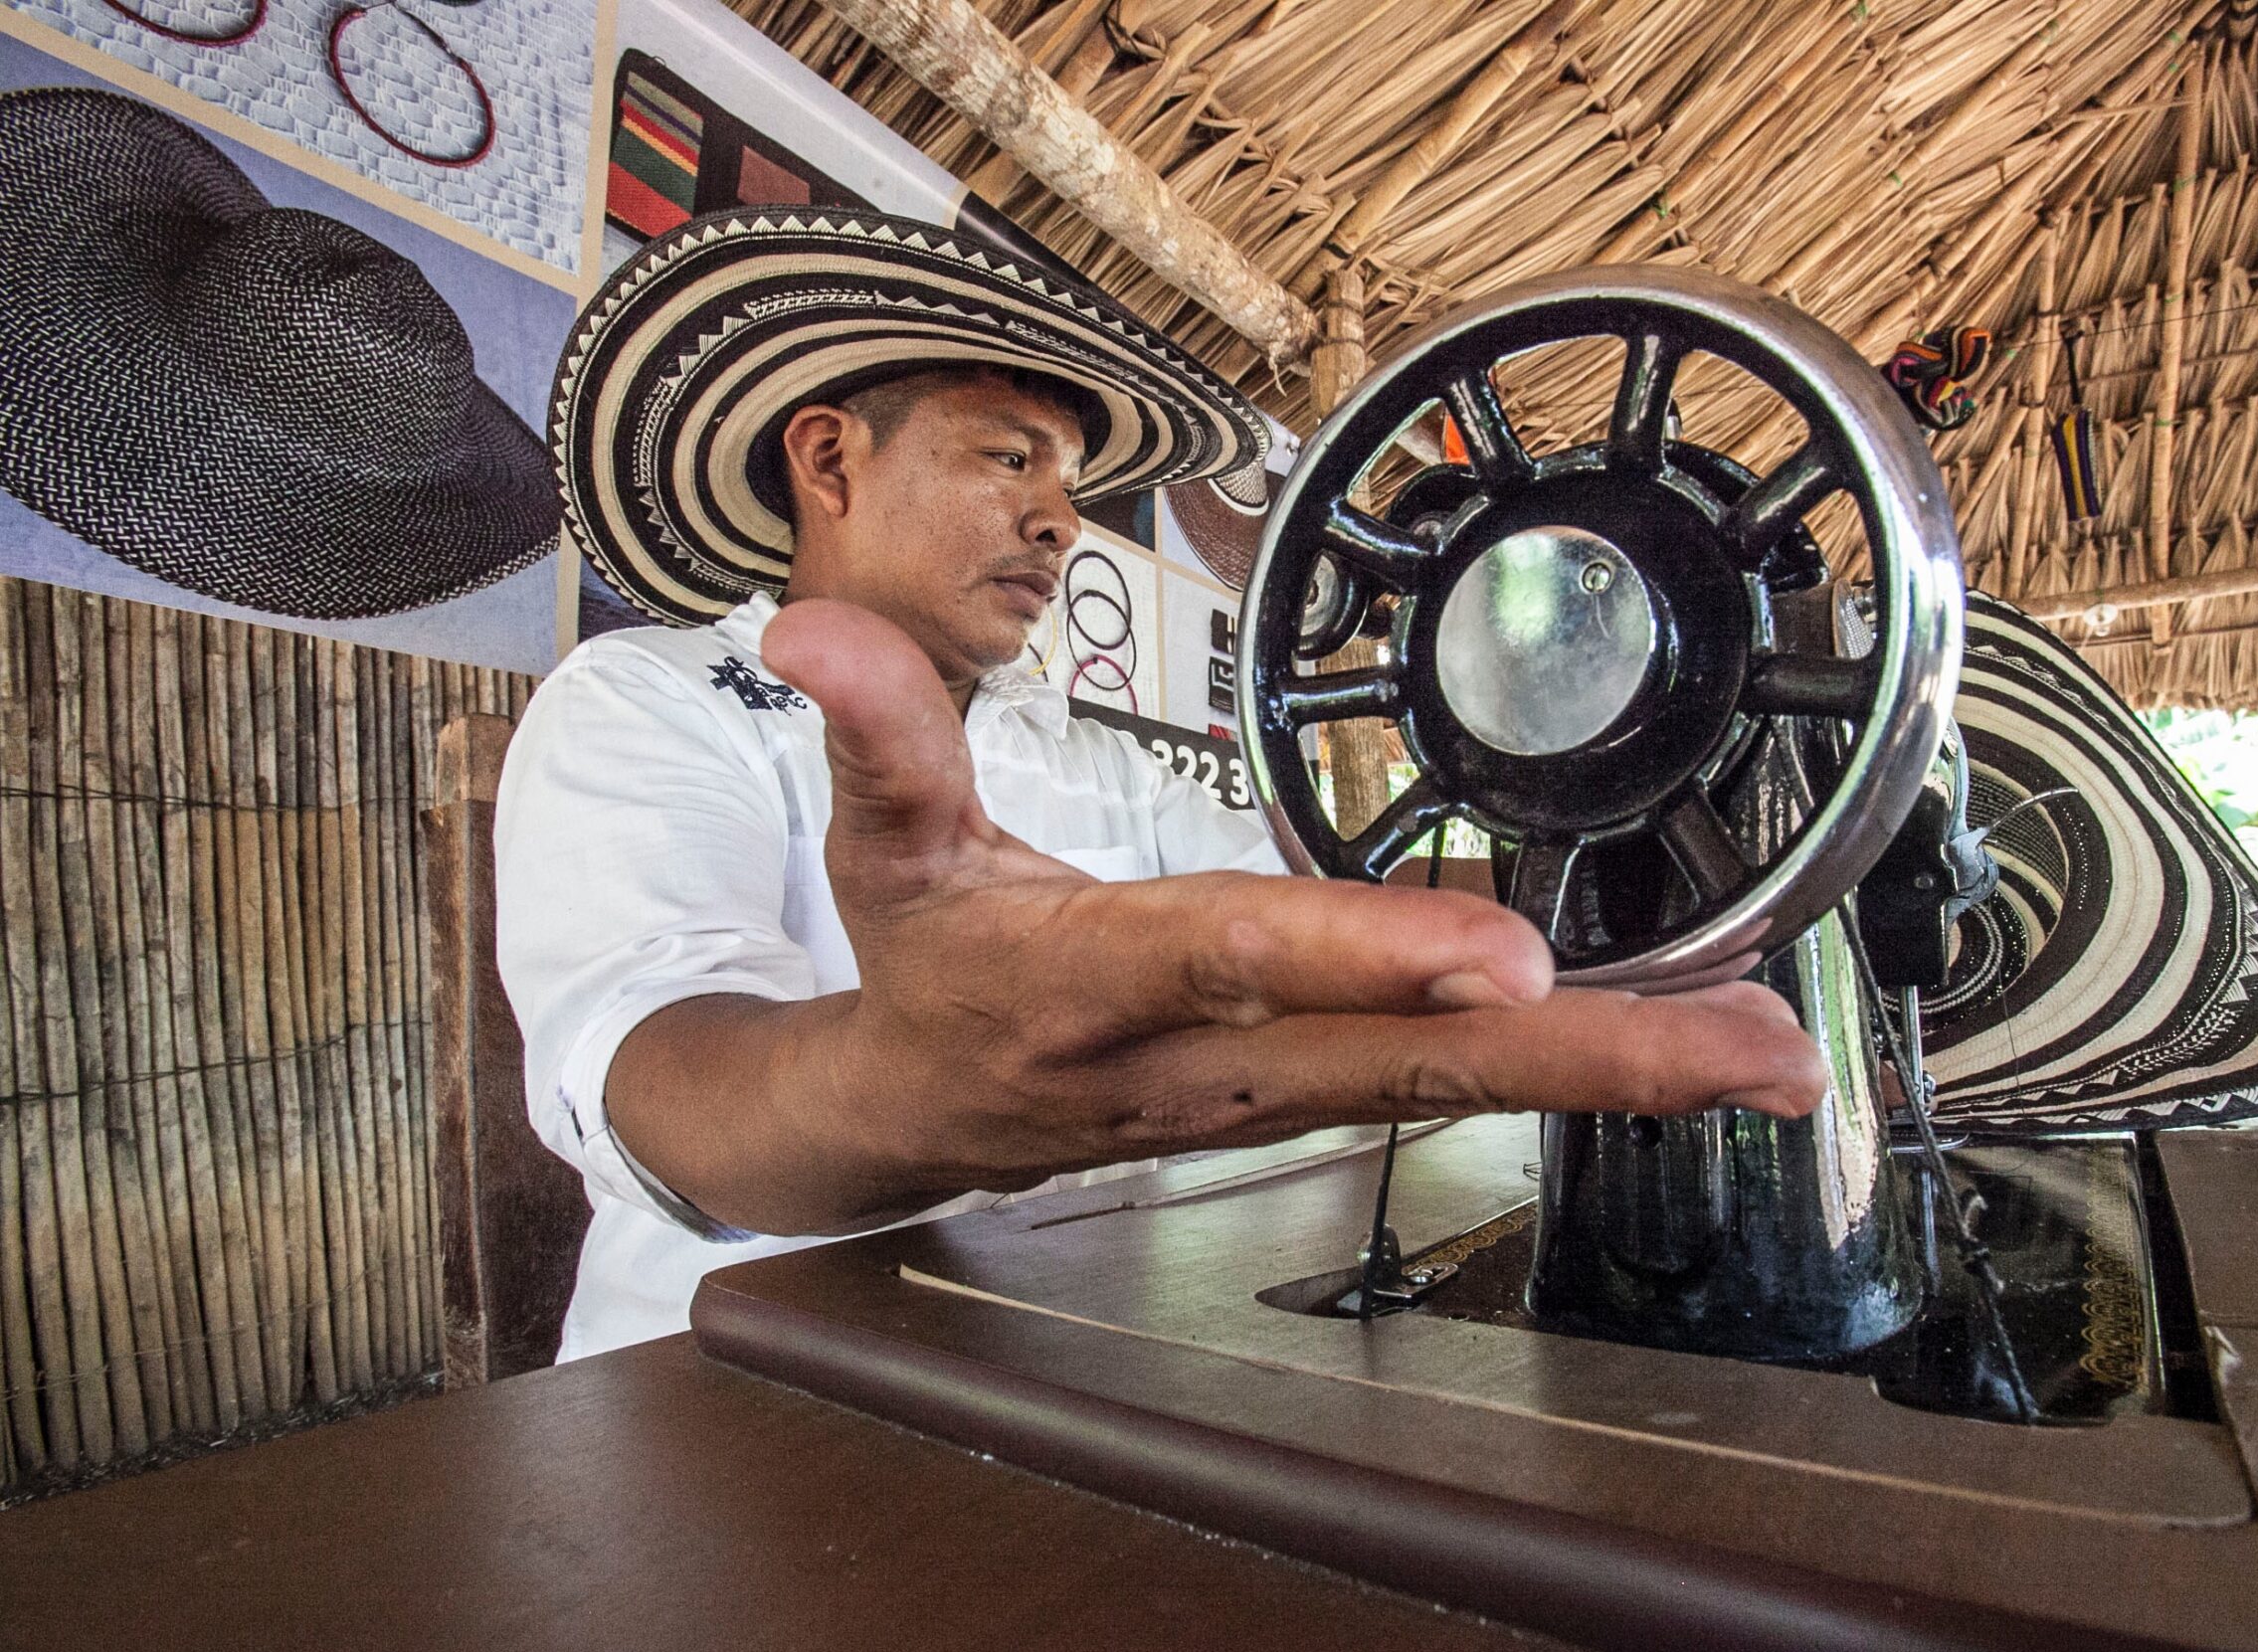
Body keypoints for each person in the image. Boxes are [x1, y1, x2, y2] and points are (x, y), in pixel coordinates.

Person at [500, 210, 1827, 1360]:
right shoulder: (647, 702)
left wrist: (1635, 866)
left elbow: (1319, 924)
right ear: (831, 458)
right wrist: (905, 1094)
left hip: (1036, 1362)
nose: (1060, 521)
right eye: (1010, 458)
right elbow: (661, 1083)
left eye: (1070, 484)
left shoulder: (1092, 762)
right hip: (710, 1392)